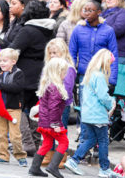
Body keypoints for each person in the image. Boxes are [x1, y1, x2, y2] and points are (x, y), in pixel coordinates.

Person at [8, 0, 56, 156]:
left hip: (24, 74)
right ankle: (35, 143)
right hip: (42, 74)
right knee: (34, 109)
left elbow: (14, 49)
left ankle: (27, 142)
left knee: (18, 108)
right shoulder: (50, 30)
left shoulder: (27, 30)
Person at [69, 0, 118, 145]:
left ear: (98, 12)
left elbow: (113, 55)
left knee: (100, 109)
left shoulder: (108, 31)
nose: (87, 13)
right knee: (85, 109)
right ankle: (84, 141)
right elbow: (71, 54)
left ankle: (97, 143)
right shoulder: (78, 30)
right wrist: (71, 75)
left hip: (102, 76)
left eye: (91, 10)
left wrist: (113, 80)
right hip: (84, 75)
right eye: (85, 10)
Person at [64, 49, 120, 178]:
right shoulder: (100, 76)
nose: (110, 67)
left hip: (88, 114)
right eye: (110, 64)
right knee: (103, 141)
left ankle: (73, 160)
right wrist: (112, 102)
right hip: (97, 115)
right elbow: (103, 96)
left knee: (91, 139)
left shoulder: (90, 74)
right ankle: (105, 168)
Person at [28, 58, 70, 178]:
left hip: (44, 121)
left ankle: (34, 168)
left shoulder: (48, 85)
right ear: (58, 72)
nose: (65, 75)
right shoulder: (55, 88)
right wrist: (56, 124)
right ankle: (53, 167)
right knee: (64, 142)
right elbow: (54, 108)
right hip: (52, 123)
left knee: (47, 143)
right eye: (64, 72)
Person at [41, 38, 76, 168]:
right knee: (48, 130)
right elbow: (43, 83)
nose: (52, 55)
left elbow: (67, 89)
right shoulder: (48, 67)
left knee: (60, 131)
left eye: (55, 52)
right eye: (50, 53)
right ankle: (49, 154)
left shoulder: (68, 68)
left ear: (63, 52)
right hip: (47, 105)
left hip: (61, 105)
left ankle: (62, 156)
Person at [0, 48, 28, 167]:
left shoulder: (18, 74)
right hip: (1, 108)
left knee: (15, 135)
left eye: (5, 61)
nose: (2, 63)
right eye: (0, 60)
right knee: (0, 133)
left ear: (13, 61)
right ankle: (3, 156)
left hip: (14, 108)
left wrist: (0, 86)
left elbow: (16, 88)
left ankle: (20, 156)